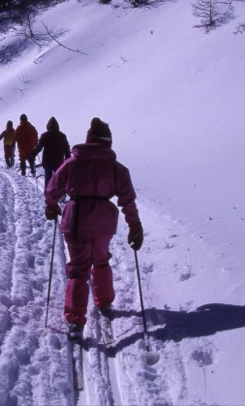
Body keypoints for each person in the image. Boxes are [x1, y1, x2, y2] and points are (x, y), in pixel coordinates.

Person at [44, 117, 143, 340]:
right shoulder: (117, 169)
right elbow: (128, 200)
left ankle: (75, 321)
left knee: (79, 269)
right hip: (104, 221)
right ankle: (104, 302)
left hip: (76, 218)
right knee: (101, 260)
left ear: (89, 141)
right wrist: (135, 226)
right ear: (108, 142)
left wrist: (51, 207)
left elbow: (53, 188)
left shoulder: (72, 163)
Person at [30, 116, 71, 188]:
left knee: (48, 178)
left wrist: (33, 155)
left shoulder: (45, 135)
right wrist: (68, 159)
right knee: (59, 178)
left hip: (47, 161)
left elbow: (39, 147)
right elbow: (67, 149)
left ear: (48, 126)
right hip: (59, 161)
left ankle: (48, 194)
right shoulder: (62, 136)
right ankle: (60, 194)